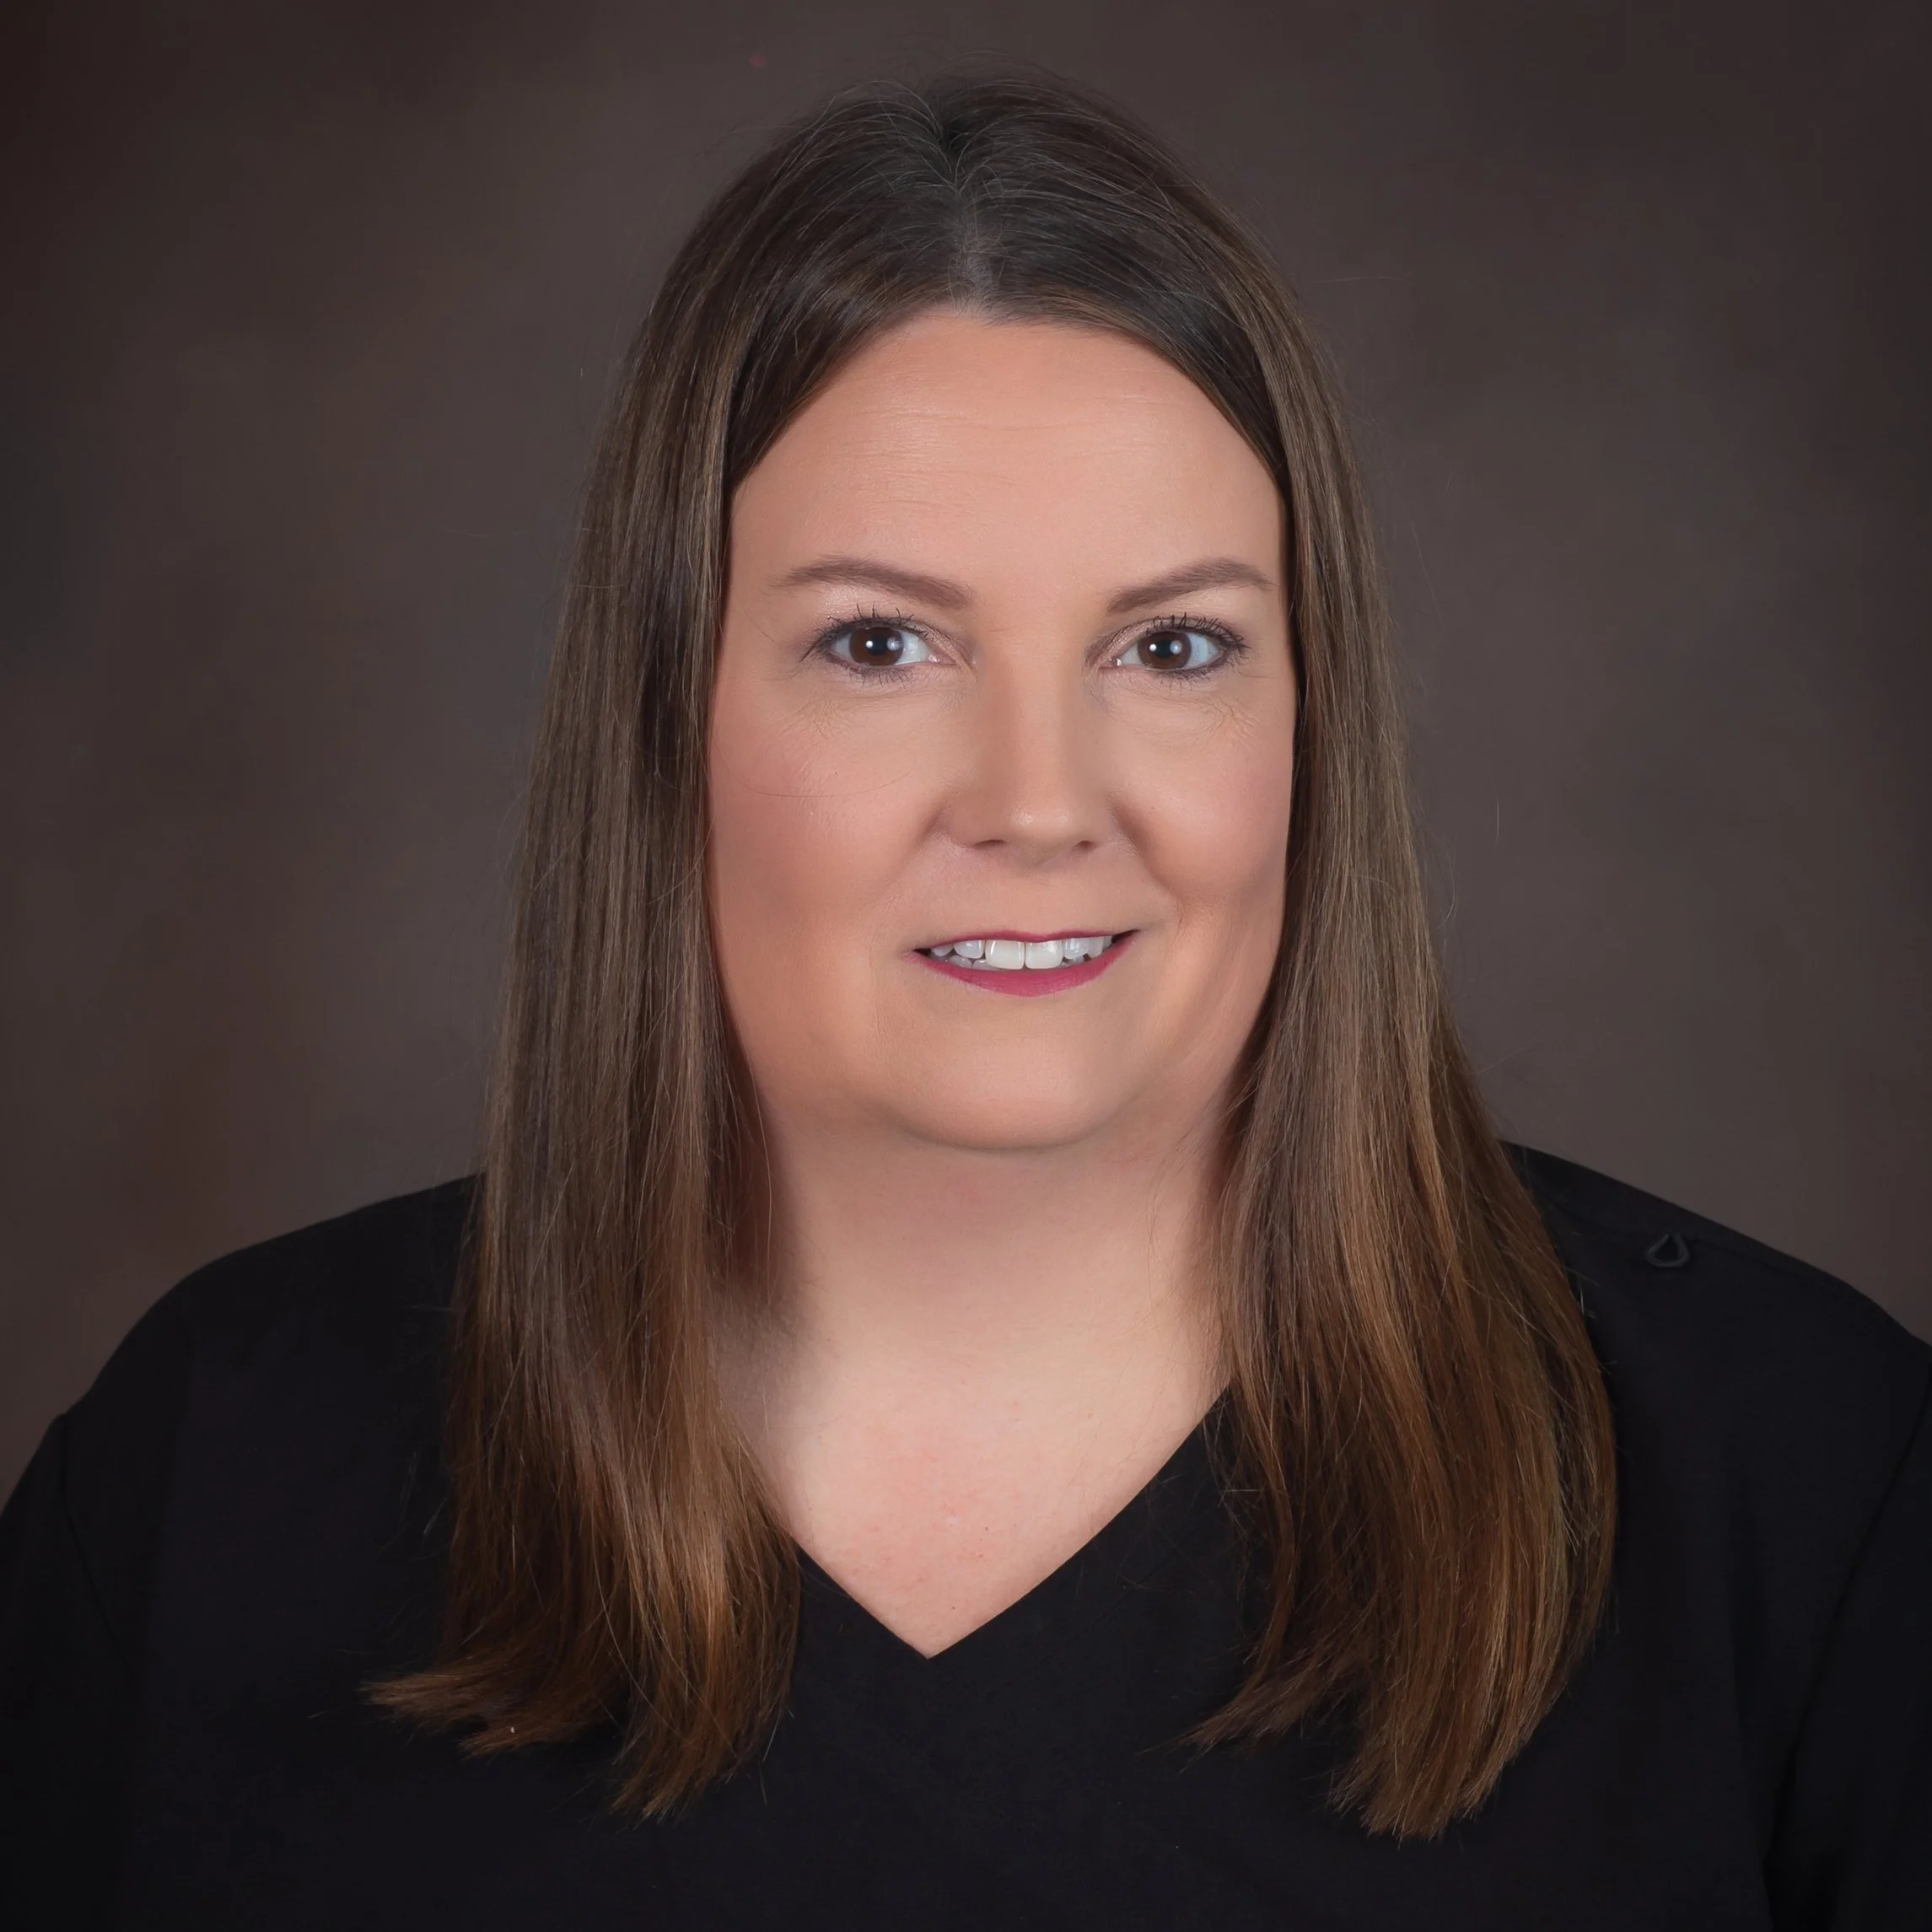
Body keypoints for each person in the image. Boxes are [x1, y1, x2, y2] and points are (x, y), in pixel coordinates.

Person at [2, 70, 1927, 1932]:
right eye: (878, 642)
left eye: (1172, 644)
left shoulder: (1799, 1493)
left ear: (1312, 726)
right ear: (669, 719)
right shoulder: (208, 1482)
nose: (1033, 798)